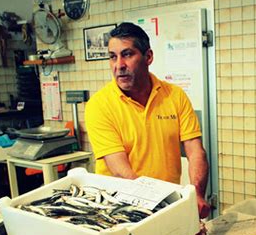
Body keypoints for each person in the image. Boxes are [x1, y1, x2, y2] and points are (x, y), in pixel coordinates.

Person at [85, 22, 210, 219]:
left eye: (127, 54)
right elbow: (120, 170)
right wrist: (157, 206)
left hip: (166, 204)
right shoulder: (98, 105)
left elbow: (195, 151)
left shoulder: (174, 96)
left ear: (148, 57)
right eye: (113, 57)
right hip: (118, 210)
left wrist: (196, 193)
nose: (119, 65)